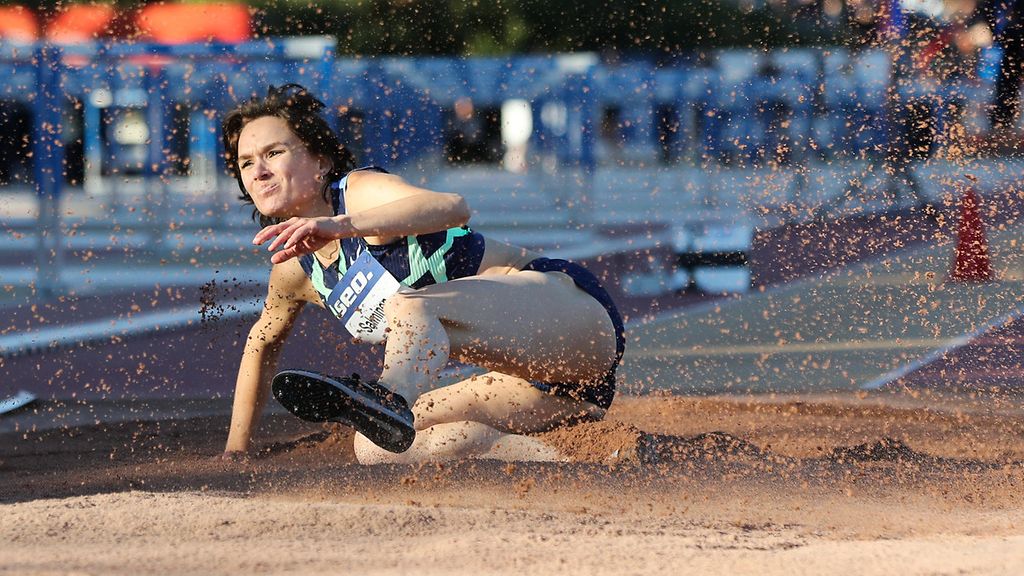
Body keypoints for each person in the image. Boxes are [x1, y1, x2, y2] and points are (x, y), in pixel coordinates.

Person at [219, 84, 625, 464]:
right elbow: (262, 342)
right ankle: (575, 459)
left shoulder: (360, 193)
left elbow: (453, 207)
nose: (258, 171)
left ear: (320, 161)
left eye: (274, 153)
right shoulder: (295, 271)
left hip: (574, 322)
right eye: (246, 163)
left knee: (409, 306)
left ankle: (388, 398)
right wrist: (236, 450)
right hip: (536, 384)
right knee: (375, 446)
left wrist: (343, 226)